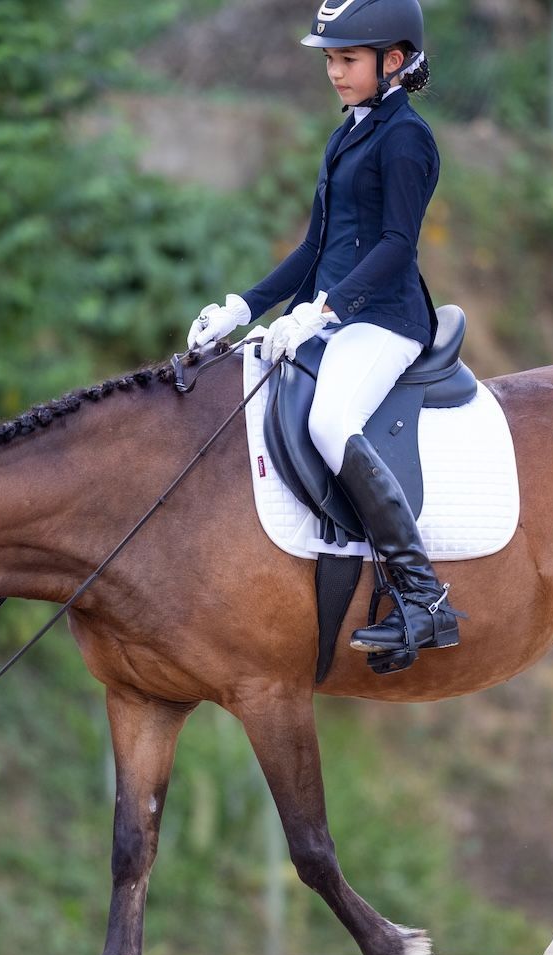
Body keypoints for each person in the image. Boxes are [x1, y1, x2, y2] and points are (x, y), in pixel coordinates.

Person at [187, 0, 459, 662]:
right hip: (334, 313)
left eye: (348, 59)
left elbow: (396, 245)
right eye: (330, 59)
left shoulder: (408, 139)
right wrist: (244, 307)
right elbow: (314, 249)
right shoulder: (346, 135)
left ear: (394, 61)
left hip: (384, 320)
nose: (335, 72)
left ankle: (422, 597)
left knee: (331, 423)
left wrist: (325, 309)